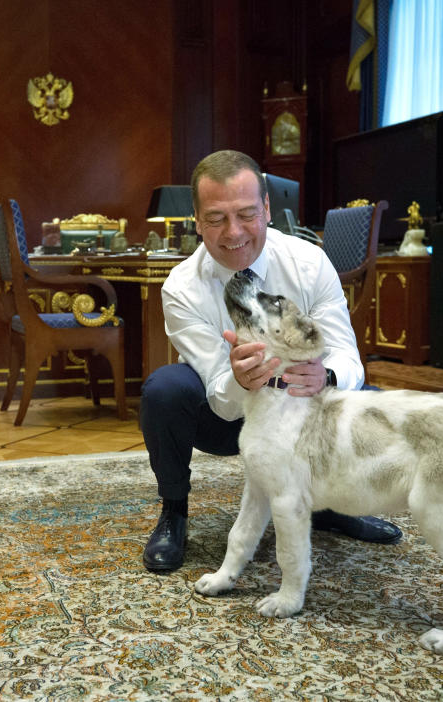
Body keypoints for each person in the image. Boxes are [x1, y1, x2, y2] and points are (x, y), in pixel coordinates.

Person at [139, 150, 402, 572]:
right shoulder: (181, 288)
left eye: (246, 214)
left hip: (304, 410)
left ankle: (329, 505)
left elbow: (346, 356)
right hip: (232, 419)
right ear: (196, 219)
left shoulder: (309, 262)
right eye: (216, 218)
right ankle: (174, 511)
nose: (233, 232)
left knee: (371, 402)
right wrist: (240, 381)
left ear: (266, 208)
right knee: (164, 390)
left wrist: (326, 375)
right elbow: (219, 397)